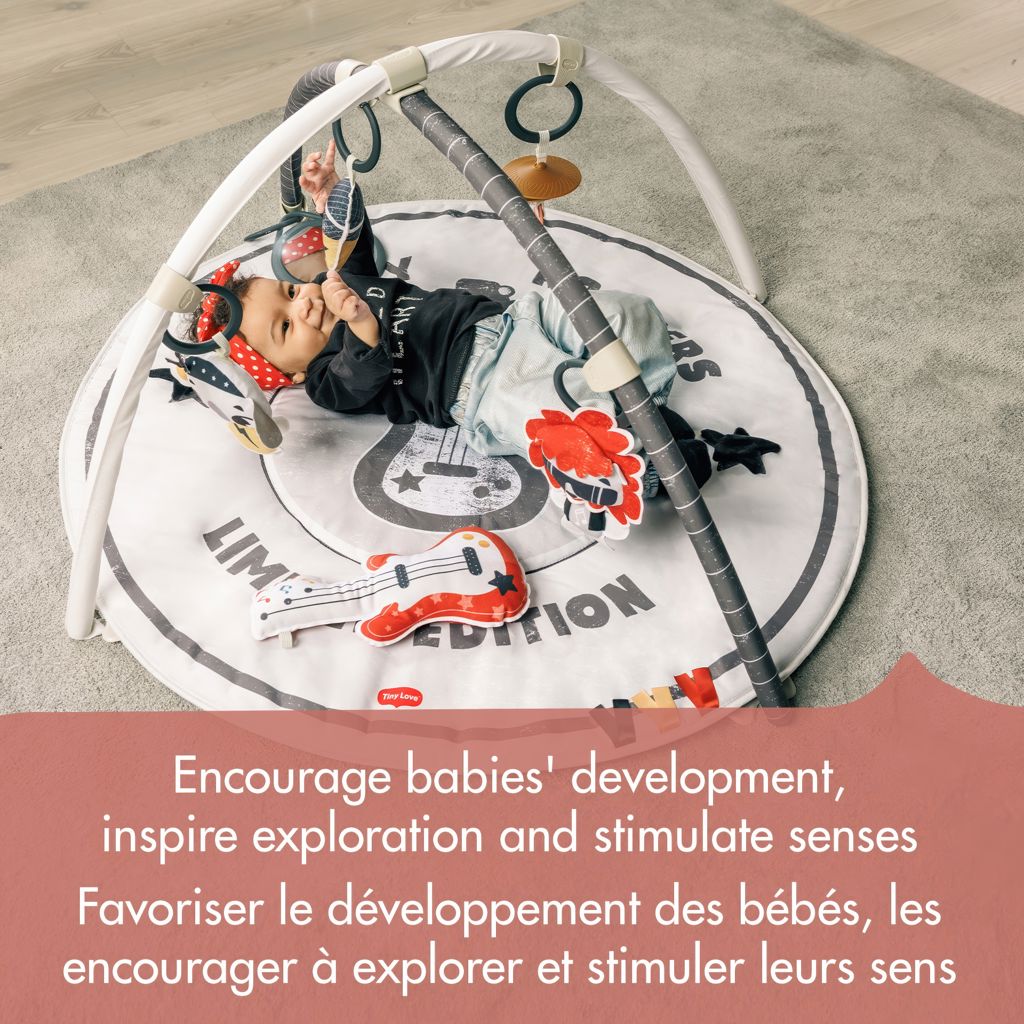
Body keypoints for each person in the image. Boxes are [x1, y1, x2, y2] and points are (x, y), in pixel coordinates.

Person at [188, 142, 701, 471]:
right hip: (479, 386)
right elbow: (360, 376)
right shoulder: (325, 379)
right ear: (289, 373)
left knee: (624, 312)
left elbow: (350, 241)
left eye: (289, 293)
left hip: (514, 321)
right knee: (546, 409)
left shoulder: (335, 281)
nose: (303, 306)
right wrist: (361, 325)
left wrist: (333, 198)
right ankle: (635, 459)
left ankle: (646, 407)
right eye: (284, 328)